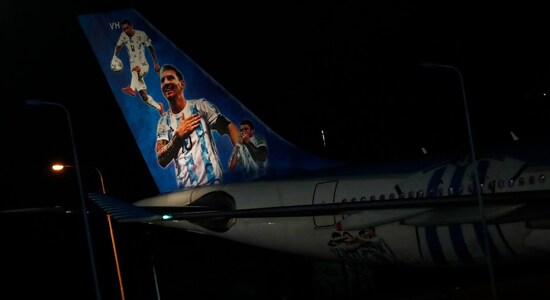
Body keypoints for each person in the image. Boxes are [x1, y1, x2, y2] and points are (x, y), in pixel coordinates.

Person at [155, 64, 240, 189]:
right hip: (186, 194)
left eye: (170, 78)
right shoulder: (164, 121)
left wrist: (238, 152)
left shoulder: (200, 106)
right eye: (162, 80)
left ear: (182, 84)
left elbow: (228, 126)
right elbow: (162, 160)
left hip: (212, 186)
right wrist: (177, 137)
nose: (166, 83)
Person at [113, 19, 163, 114]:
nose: (126, 31)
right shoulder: (123, 36)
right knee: (144, 96)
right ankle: (159, 107)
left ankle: (132, 88)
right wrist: (114, 57)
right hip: (134, 70)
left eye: (127, 28)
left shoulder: (141, 34)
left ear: (131, 26)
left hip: (143, 65)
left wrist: (155, 63)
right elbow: (118, 46)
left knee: (135, 70)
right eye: (124, 29)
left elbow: (151, 47)